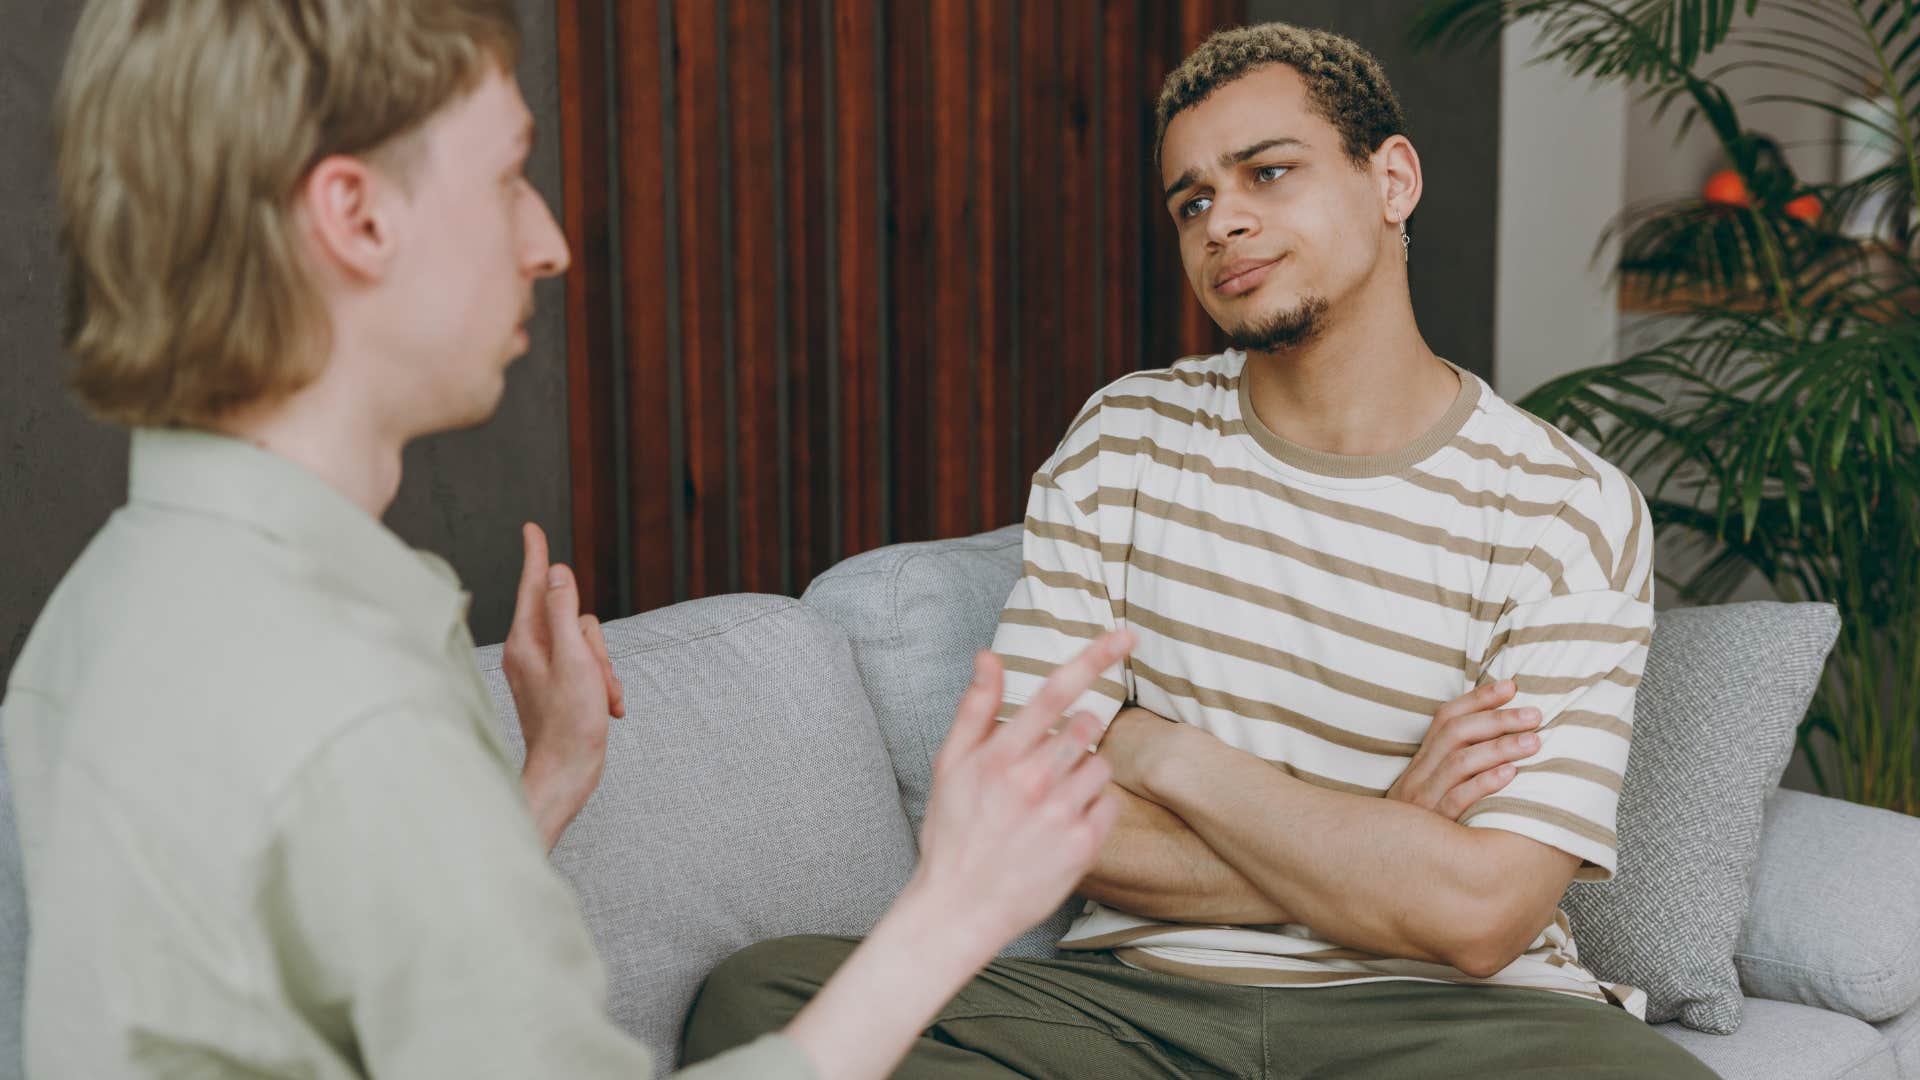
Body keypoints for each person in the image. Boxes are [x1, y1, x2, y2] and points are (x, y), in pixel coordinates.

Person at [0, 2, 1131, 1076]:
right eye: (505, 179)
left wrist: (544, 782)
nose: (548, 243)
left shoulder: (105, 610)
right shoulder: (348, 695)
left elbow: (320, 993)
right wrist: (955, 908)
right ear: (355, 215)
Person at [683, 22, 1717, 1078]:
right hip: (1139, 1016)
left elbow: (1479, 909)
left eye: (1268, 172)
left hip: (1448, 1024)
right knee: (764, 1002)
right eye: (1192, 201)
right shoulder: (1122, 444)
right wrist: (1382, 831)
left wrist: (1155, 748)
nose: (1223, 220)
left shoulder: (1567, 506)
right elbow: (1028, 824)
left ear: (1391, 178)